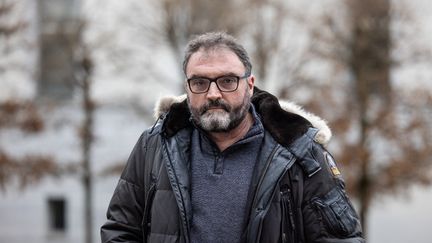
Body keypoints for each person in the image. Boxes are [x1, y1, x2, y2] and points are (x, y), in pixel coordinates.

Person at [101, 32, 364, 243]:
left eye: (227, 81)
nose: (213, 93)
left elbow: (341, 238)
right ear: (187, 88)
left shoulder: (299, 151)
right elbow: (120, 230)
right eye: (200, 82)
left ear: (249, 85)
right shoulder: (155, 145)